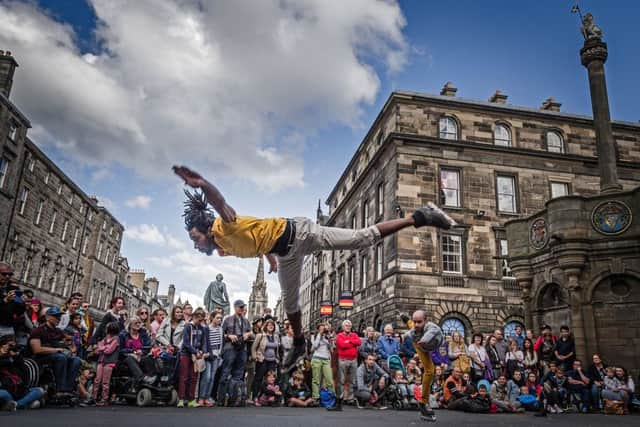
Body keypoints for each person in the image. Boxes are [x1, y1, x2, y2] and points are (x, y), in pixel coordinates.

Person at [173, 165, 456, 372]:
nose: (196, 245)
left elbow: (220, 202)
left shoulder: (223, 224)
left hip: (301, 233)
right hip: (286, 253)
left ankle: (420, 217)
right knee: (292, 300)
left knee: (360, 239)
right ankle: (298, 344)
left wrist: (203, 184)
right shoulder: (223, 247)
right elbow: (259, 237)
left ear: (205, 228)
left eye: (195, 238)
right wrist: (271, 258)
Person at [29, 307, 81, 395]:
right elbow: (37, 350)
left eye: (59, 316)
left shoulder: (58, 331)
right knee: (61, 357)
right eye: (56, 316)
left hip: (57, 356)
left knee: (76, 360)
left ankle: (68, 390)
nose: (58, 318)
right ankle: (60, 389)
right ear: (47, 317)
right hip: (41, 357)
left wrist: (72, 347)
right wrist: (57, 350)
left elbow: (70, 341)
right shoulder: (38, 331)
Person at [217, 300, 252, 404]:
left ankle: (235, 398)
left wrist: (248, 334)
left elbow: (252, 333)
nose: (242, 309)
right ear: (235, 307)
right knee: (226, 373)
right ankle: (221, 399)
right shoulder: (227, 320)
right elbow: (221, 334)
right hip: (230, 348)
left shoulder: (246, 321)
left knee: (239, 374)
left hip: (242, 349)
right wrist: (229, 336)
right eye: (240, 307)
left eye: (243, 307)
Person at [0, 334, 44, 411]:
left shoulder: (14, 358)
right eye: (9, 345)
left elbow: (25, 373)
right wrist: (3, 355)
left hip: (18, 391)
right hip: (5, 391)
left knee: (39, 390)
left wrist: (17, 357)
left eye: (13, 345)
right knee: (4, 394)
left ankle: (16, 404)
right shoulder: (5, 358)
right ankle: (23, 403)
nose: (11, 347)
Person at [178, 307, 207, 408]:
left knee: (194, 377)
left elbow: (204, 342)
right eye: (199, 319)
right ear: (195, 317)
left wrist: (201, 351)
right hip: (186, 354)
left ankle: (191, 399)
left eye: (202, 319)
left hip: (197, 356)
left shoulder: (202, 328)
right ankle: (181, 398)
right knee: (184, 377)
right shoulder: (187, 327)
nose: (200, 321)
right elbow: (186, 343)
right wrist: (195, 351)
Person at [119, 316, 156, 386]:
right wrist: (133, 352)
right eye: (136, 323)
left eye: (139, 323)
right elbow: (120, 349)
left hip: (141, 356)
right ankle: (142, 378)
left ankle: (152, 378)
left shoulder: (143, 333)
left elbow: (148, 346)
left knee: (148, 358)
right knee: (129, 359)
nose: (138, 325)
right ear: (130, 324)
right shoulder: (123, 335)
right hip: (127, 357)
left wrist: (142, 352)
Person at [251, 318, 281, 402]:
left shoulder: (276, 337)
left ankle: (267, 397)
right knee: (259, 378)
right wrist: (255, 357)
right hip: (262, 360)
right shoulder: (260, 335)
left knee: (270, 380)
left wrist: (277, 359)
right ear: (266, 326)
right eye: (269, 325)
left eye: (272, 325)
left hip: (272, 361)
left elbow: (277, 349)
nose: (271, 327)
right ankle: (255, 397)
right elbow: (254, 347)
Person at [333, 319, 361, 409]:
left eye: (349, 325)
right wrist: (352, 342)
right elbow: (342, 345)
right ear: (343, 327)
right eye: (346, 325)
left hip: (353, 360)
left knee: (352, 381)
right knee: (341, 380)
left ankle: (350, 399)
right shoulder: (339, 336)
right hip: (343, 360)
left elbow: (359, 342)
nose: (348, 327)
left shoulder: (355, 335)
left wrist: (348, 341)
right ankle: (340, 398)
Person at [92, 322, 120, 406]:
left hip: (109, 362)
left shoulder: (116, 338)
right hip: (101, 361)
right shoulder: (105, 338)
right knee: (97, 380)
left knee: (105, 381)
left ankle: (105, 399)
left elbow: (109, 350)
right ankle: (93, 397)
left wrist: (101, 348)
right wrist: (102, 348)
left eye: (107, 327)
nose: (105, 329)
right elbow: (98, 349)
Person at [198, 311, 223, 407]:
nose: (219, 320)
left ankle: (207, 397)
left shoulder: (220, 329)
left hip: (216, 356)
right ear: (212, 318)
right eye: (217, 318)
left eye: (220, 318)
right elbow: (204, 342)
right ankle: (201, 397)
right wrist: (206, 353)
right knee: (206, 377)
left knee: (212, 377)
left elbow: (220, 342)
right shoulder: (206, 328)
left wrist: (219, 354)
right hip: (208, 355)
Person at [310, 322, 334, 403]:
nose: (323, 330)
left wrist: (330, 339)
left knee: (329, 379)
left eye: (324, 328)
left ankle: (332, 397)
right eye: (321, 328)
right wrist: (320, 335)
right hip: (316, 358)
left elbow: (332, 349)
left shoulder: (328, 337)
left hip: (326, 359)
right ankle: (316, 397)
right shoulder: (314, 336)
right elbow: (314, 346)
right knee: (316, 379)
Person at [0, 263, 26, 338]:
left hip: (8, 326)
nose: (7, 276)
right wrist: (5, 300)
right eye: (4, 274)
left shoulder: (13, 288)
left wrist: (22, 303)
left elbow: (18, 311)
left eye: (10, 274)